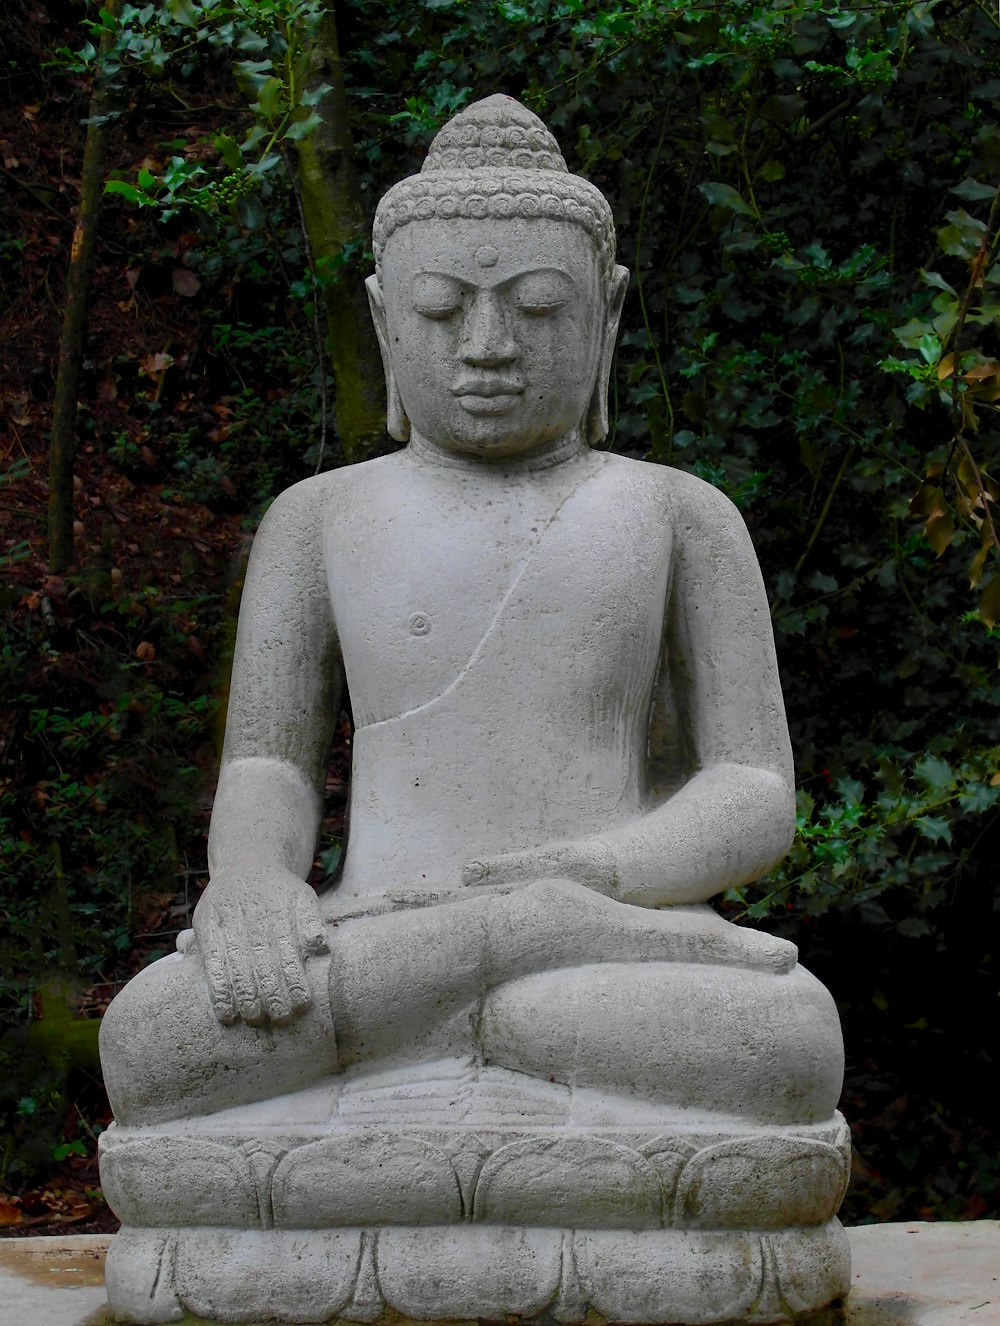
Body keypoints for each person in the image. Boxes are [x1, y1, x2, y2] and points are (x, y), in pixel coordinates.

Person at [99, 96, 843, 1132]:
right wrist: (252, 881)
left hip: (598, 937)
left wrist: (603, 870)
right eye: (441, 310)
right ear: (381, 318)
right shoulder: (318, 518)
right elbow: (268, 762)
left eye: (538, 309)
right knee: (147, 1046)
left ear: (608, 314)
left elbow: (754, 787)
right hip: (385, 932)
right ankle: (507, 953)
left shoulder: (676, 514)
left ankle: (478, 998)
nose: (487, 346)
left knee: (786, 1045)